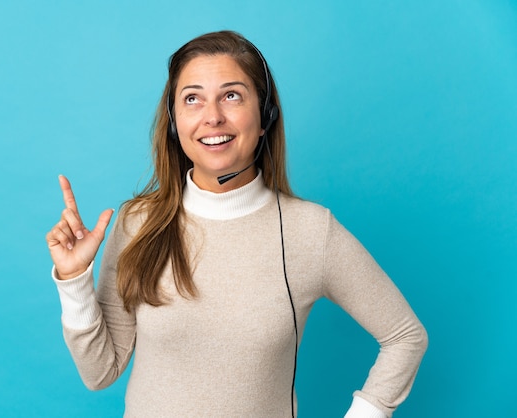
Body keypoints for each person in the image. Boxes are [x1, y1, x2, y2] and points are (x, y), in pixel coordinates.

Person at [46, 30, 428, 418]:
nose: (212, 117)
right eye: (192, 99)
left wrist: (367, 412)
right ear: (176, 123)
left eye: (231, 96)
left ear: (265, 117)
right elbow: (99, 373)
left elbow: (405, 337)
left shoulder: (312, 232)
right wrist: (75, 281)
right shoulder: (138, 223)